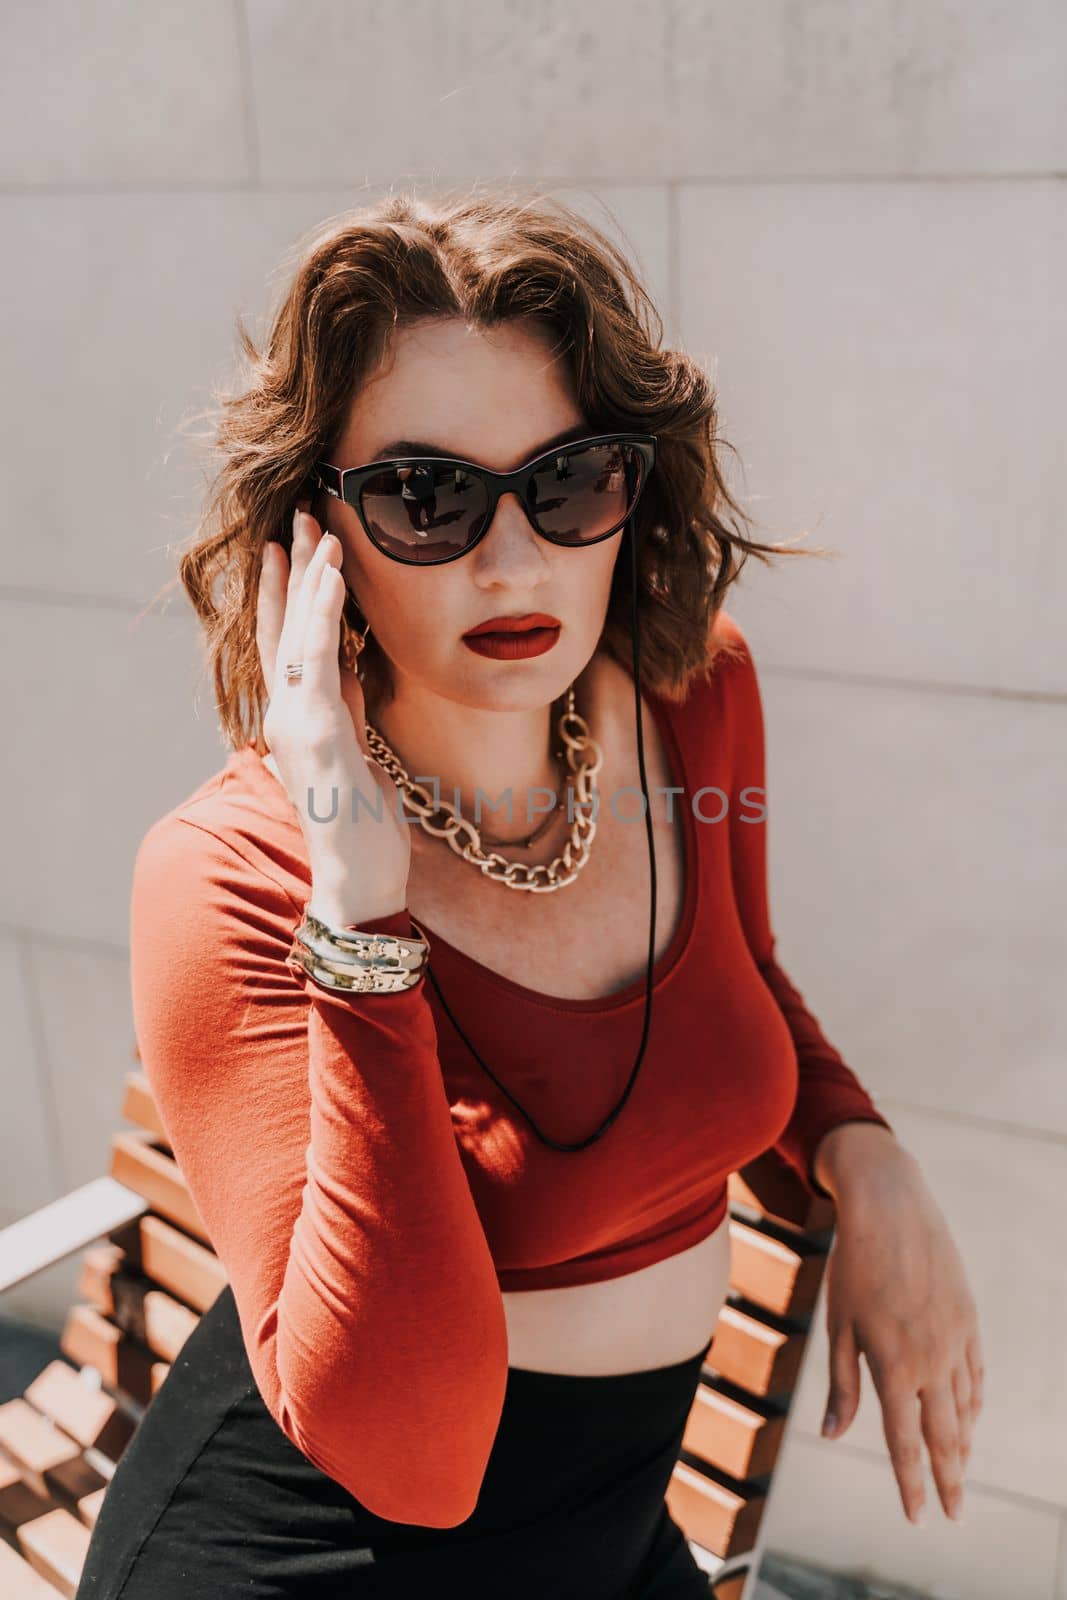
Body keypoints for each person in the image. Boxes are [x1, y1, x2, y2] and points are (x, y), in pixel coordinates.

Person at [76, 188, 982, 1599]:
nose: (513, 561)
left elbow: (738, 976)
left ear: (632, 488)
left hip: (614, 1536)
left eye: (567, 484)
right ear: (319, 534)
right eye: (427, 499)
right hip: (320, 1551)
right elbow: (415, 1456)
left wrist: (864, 1153)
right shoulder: (229, 877)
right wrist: (362, 909)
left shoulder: (694, 698)